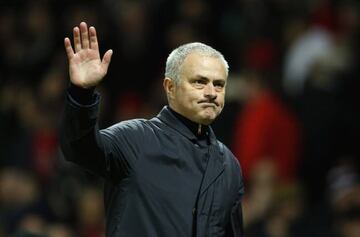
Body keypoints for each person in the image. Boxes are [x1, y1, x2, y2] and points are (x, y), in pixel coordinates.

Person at [60, 22, 244, 237]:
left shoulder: (228, 165)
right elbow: (78, 148)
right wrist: (82, 93)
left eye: (219, 84)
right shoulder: (135, 139)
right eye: (200, 82)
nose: (212, 92)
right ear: (170, 87)